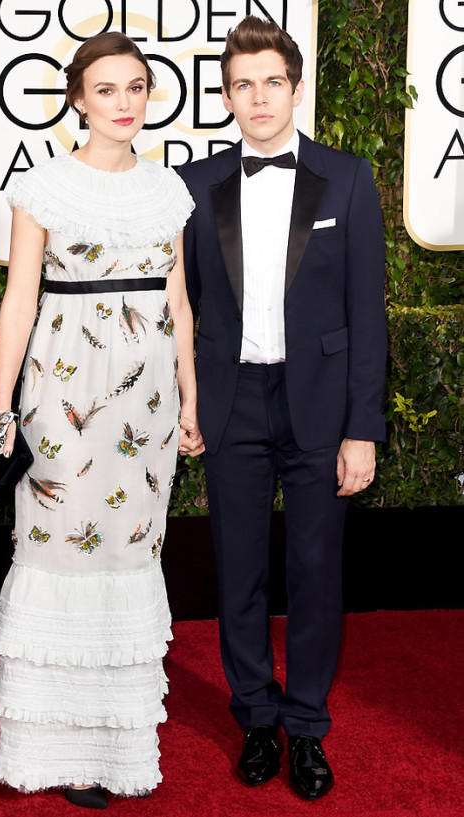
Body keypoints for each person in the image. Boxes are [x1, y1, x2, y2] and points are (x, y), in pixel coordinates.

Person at [0, 31, 203, 809]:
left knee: (127, 553)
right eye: (106, 90)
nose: (124, 103)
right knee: (60, 549)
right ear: (77, 99)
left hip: (147, 409)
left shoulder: (168, 191)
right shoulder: (42, 187)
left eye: (135, 87)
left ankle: (113, 741)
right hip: (61, 394)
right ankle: (57, 744)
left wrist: (191, 394)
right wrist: (0, 417)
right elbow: (19, 302)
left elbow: (176, 303)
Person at [178, 15, 386, 801]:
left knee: (313, 571)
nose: (257, 97)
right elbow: (182, 309)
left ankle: (305, 727)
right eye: (241, 84)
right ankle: (253, 718)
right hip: (232, 405)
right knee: (238, 574)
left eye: (271, 81)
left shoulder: (349, 178)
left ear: (295, 88)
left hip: (320, 408)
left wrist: (361, 428)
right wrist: (188, 400)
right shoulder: (197, 185)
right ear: (225, 95)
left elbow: (367, 315)